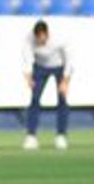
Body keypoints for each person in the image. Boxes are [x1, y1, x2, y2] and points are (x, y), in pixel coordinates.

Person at [22, 19, 71, 149]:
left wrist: (65, 81)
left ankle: (61, 135)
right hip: (40, 67)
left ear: (47, 34)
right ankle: (31, 136)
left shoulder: (60, 38)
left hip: (59, 66)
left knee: (62, 99)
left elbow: (69, 59)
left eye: (42, 38)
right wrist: (28, 76)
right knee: (35, 99)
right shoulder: (29, 38)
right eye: (38, 39)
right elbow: (27, 57)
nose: (40, 42)